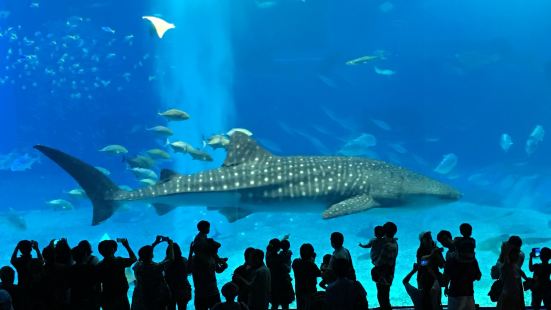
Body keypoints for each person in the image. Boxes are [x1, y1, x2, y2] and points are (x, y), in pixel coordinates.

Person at [131, 236, 173, 310]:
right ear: (151, 255)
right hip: (155, 298)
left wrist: (155, 243)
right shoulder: (155, 267)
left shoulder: (137, 265)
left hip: (141, 298)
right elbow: (170, 259)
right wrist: (171, 244)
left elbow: (144, 255)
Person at [96, 238, 137, 310]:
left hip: (107, 297)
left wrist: (100, 299)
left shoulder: (99, 266)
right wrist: (127, 246)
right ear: (113, 250)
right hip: (121, 297)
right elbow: (134, 259)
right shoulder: (119, 261)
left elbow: (98, 284)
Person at [190, 238, 226, 310]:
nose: (216, 250)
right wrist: (223, 266)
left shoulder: (212, 257)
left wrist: (223, 266)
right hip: (205, 294)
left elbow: (218, 270)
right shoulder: (195, 259)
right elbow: (188, 271)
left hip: (210, 292)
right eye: (215, 248)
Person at [10, 240, 44, 309]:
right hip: (35, 291)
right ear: (31, 249)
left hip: (22, 290)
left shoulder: (19, 262)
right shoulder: (35, 262)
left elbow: (12, 260)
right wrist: (37, 249)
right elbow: (41, 261)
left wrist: (17, 247)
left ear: (20, 250)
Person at [373, 222, 398, 310]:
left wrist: (374, 260)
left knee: (382, 297)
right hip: (389, 275)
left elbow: (378, 262)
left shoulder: (387, 246)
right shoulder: (394, 242)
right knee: (385, 296)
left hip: (383, 276)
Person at [70, 240, 100, 310]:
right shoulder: (93, 263)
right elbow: (97, 282)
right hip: (90, 296)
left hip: (76, 297)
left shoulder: (72, 269)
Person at [497, 244, 528, 310]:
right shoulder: (505, 266)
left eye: (517, 255)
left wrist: (527, 279)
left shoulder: (515, 265)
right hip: (508, 293)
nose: (517, 257)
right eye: (516, 255)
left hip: (514, 292)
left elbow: (521, 272)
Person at [416, 232, 444, 303]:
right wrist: (432, 255)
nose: (429, 239)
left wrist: (437, 254)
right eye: (426, 238)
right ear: (422, 240)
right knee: (425, 300)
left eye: (430, 237)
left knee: (437, 301)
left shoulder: (436, 249)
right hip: (423, 278)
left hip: (435, 278)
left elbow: (442, 265)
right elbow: (421, 264)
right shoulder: (420, 251)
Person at [266, 238, 294, 309]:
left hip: (273, 283)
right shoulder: (280, 259)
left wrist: (283, 240)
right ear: (278, 248)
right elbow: (288, 269)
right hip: (283, 284)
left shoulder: (268, 254)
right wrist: (289, 258)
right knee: (285, 305)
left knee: (274, 304)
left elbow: (273, 247)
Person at [292, 243, 322, 310]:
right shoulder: (311, 265)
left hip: (299, 290)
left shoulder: (295, 262)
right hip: (310, 291)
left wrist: (310, 260)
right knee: (310, 306)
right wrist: (312, 261)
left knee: (300, 306)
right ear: (311, 254)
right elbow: (319, 273)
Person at [165, 243, 192, 310]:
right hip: (183, 290)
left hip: (170, 291)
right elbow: (189, 271)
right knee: (182, 308)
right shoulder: (183, 260)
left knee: (170, 308)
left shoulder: (166, 263)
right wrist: (191, 252)